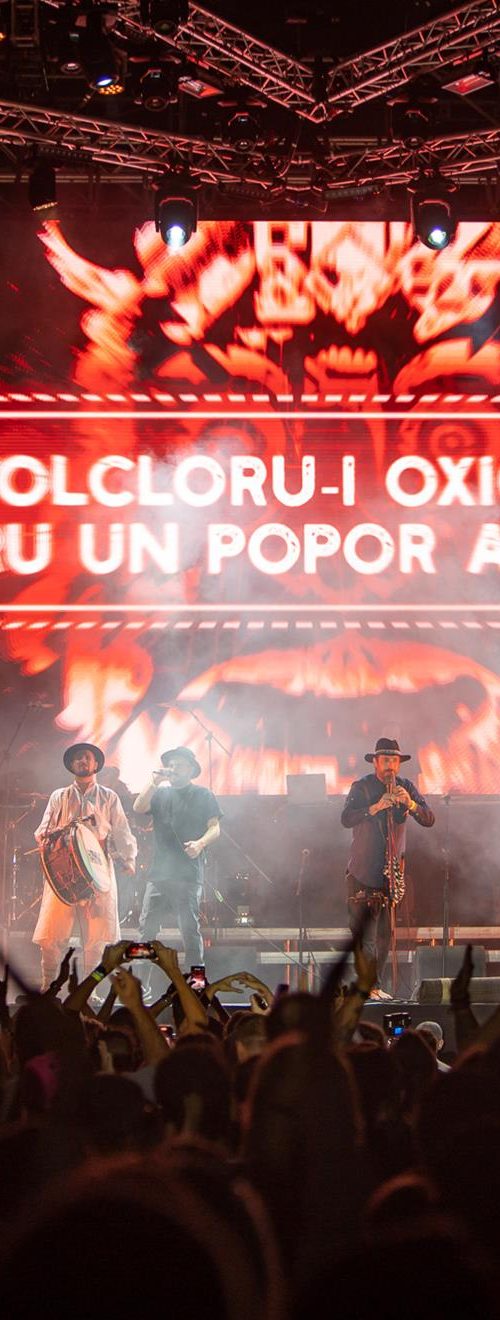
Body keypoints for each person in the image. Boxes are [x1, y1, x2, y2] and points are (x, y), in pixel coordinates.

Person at [33, 743, 137, 990]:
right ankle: (48, 987)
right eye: (77, 758)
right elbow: (42, 830)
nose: (82, 761)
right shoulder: (59, 796)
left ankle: (90, 991)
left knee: (97, 939)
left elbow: (121, 830)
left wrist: (129, 858)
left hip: (98, 870)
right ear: (71, 765)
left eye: (86, 758)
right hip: (63, 871)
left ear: (95, 764)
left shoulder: (109, 797)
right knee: (52, 935)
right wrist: (49, 838)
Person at [341, 737, 434, 1000]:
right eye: (385, 760)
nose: (390, 765)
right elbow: (346, 818)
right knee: (365, 937)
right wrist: (376, 806)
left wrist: (411, 804)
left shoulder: (407, 786)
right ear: (375, 762)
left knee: (384, 936)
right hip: (362, 874)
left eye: (394, 760)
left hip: (390, 876)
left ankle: (375, 985)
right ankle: (368, 987)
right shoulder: (362, 787)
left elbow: (429, 818)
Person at [133, 746, 222, 971]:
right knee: (146, 931)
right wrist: (154, 782)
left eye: (179, 765)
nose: (173, 768)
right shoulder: (160, 793)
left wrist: (200, 844)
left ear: (191, 769)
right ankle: (140, 983)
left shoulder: (203, 795)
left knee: (189, 931)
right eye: (170, 764)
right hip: (159, 874)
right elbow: (138, 807)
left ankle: (196, 982)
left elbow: (215, 828)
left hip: (187, 875)